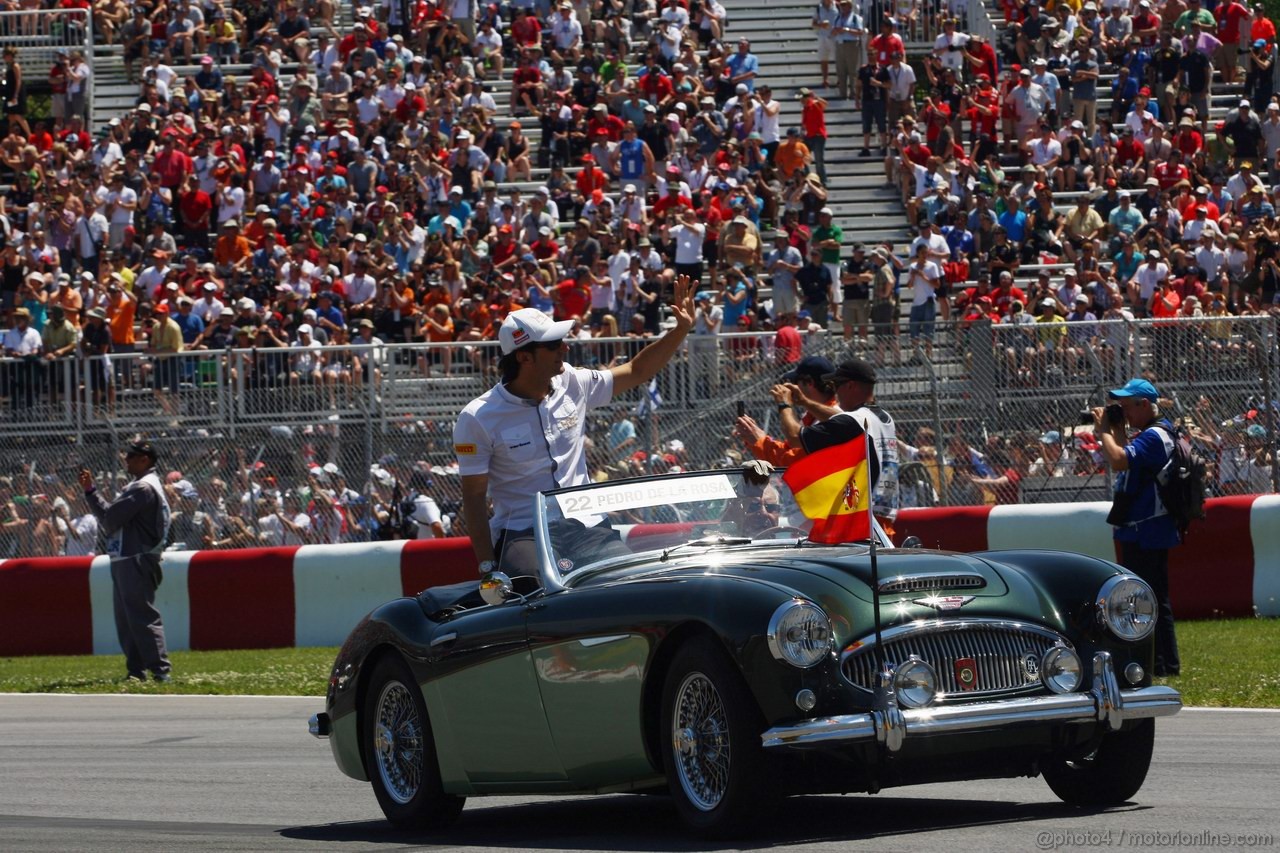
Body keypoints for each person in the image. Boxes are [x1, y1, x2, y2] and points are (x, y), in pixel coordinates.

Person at [454, 279, 695, 578]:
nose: (565, 347)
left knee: (626, 580)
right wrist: (488, 568)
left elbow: (637, 370)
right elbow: (474, 499)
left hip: (586, 525)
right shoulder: (477, 417)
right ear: (524, 357)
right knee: (536, 590)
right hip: (523, 533)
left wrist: (680, 330)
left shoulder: (573, 381)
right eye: (554, 344)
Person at [1094, 378, 1181, 677]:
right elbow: (1127, 454)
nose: (1123, 412)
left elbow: (1119, 460)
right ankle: (1157, 661)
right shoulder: (1150, 434)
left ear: (1144, 404)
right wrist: (1115, 430)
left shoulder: (1156, 436)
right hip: (1141, 529)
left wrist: (1104, 431)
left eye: (1126, 406)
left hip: (1148, 530)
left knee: (1150, 597)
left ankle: (1162, 663)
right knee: (1145, 596)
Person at [78, 441, 172, 683]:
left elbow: (110, 520)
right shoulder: (143, 486)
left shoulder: (142, 488)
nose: (126, 459)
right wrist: (90, 491)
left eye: (132, 455)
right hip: (128, 556)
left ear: (146, 460)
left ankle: (160, 672)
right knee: (127, 618)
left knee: (140, 615)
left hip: (135, 558)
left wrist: (91, 492)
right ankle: (136, 671)